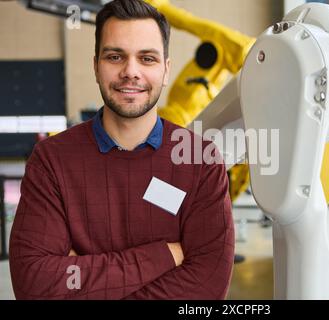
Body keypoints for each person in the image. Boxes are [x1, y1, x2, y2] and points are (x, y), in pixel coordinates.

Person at [9, 0, 234, 300]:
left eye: (147, 59)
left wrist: (82, 274)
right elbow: (35, 285)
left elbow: (208, 288)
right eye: (115, 56)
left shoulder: (200, 160)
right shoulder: (52, 160)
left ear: (166, 71)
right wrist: (164, 256)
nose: (131, 72)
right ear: (96, 66)